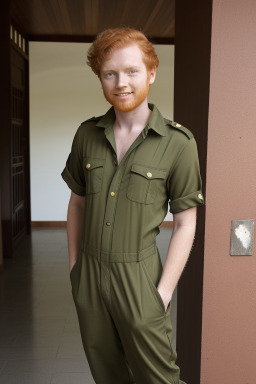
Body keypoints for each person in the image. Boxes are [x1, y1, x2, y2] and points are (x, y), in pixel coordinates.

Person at [62, 27, 204, 384]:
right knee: (108, 375)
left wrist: (162, 293)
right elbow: (77, 203)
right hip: (90, 277)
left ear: (151, 73)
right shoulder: (87, 134)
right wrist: (76, 267)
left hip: (140, 279)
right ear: (100, 78)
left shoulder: (179, 143)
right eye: (109, 73)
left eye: (131, 71)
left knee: (160, 379)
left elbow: (186, 222)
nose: (120, 83)